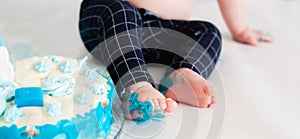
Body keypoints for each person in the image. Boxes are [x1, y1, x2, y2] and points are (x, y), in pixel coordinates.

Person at [79, 0, 272, 119]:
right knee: (121, 11)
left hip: (155, 28)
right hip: (108, 17)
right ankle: (136, 85)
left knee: (207, 31)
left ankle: (182, 76)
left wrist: (239, 28)